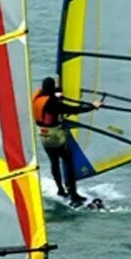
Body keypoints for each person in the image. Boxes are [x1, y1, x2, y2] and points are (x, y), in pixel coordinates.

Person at [32, 76, 103, 206]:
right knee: (68, 162)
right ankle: (73, 194)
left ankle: (60, 190)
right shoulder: (54, 104)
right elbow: (73, 109)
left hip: (43, 136)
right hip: (56, 137)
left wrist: (57, 91)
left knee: (54, 162)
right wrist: (93, 106)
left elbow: (50, 95)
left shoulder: (37, 98)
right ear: (52, 89)